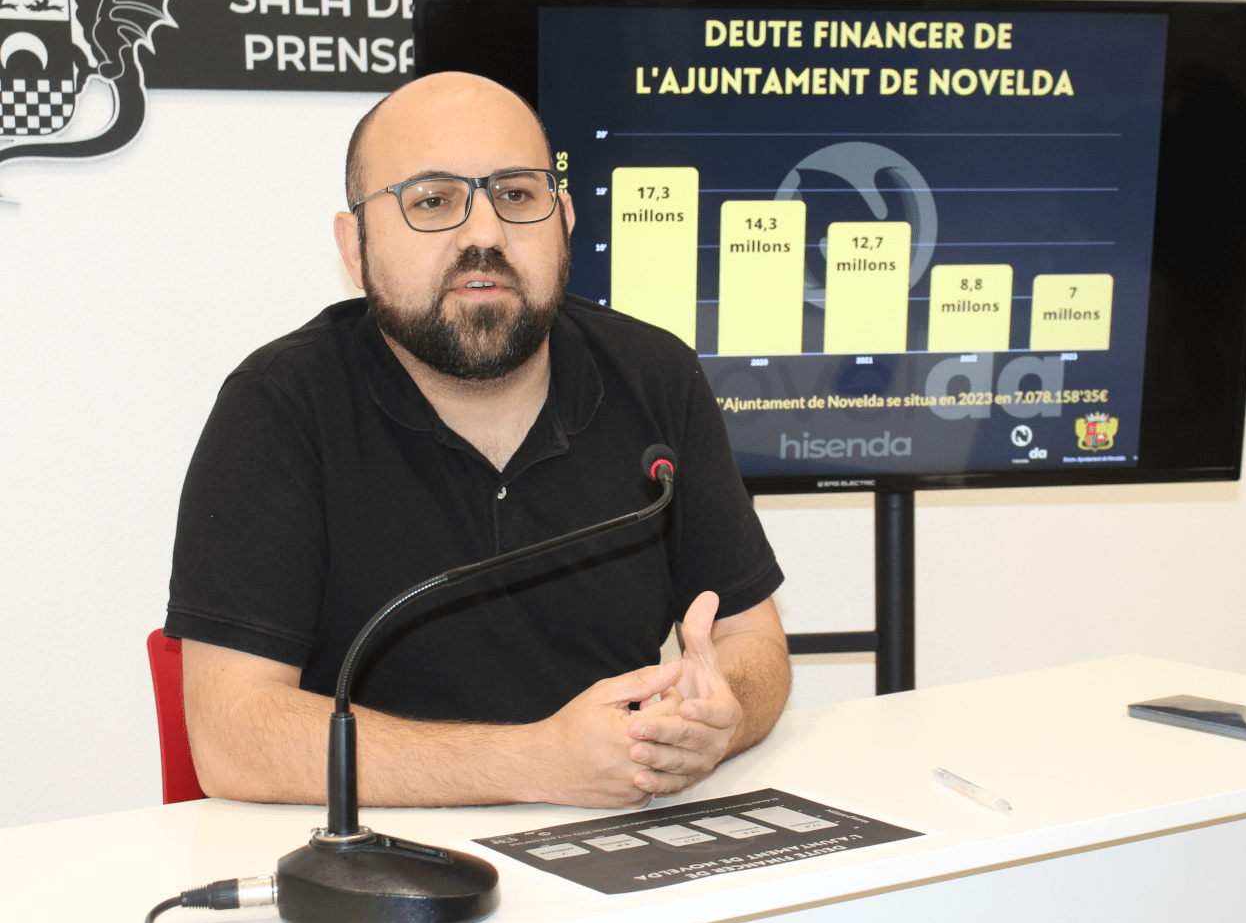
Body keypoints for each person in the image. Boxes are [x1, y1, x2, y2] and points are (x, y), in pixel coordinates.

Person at [164, 72, 790, 810]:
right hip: (379, 853)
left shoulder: (656, 376)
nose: (486, 235)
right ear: (355, 246)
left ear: (564, 221)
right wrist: (532, 762)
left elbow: (753, 645)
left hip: (618, 835)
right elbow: (231, 736)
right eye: (433, 201)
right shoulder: (279, 406)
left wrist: (715, 721)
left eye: (517, 195)